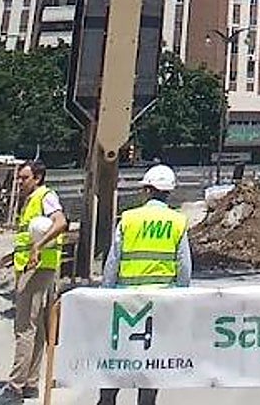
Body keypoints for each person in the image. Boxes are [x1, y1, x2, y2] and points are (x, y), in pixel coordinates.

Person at [97, 164, 191, 405]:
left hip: (124, 302)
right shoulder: (177, 221)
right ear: (168, 193)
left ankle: (107, 401)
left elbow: (113, 262)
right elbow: (184, 267)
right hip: (160, 304)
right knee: (151, 362)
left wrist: (103, 295)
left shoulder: (129, 219)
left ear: (147, 191)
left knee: (116, 358)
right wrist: (181, 299)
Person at [0, 161, 68, 404]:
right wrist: (6, 260)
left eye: (24, 178)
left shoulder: (45, 196)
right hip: (31, 267)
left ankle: (15, 386)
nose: (20, 182)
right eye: (19, 178)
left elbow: (60, 222)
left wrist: (38, 248)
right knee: (37, 327)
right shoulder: (31, 201)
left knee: (24, 327)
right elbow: (27, 243)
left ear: (38, 177)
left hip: (37, 269)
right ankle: (30, 381)